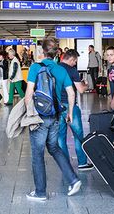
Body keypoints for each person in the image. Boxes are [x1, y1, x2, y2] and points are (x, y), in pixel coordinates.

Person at [24, 36, 81, 201]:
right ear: (57, 53)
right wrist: (69, 112)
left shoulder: (35, 67)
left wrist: (30, 115)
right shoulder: (61, 70)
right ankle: (73, 179)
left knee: (37, 153)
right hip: (56, 116)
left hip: (40, 117)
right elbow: (71, 93)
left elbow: (29, 95)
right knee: (54, 147)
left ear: (42, 51)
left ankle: (40, 192)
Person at [58, 49, 93, 171]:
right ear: (71, 59)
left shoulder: (55, 68)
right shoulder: (71, 70)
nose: (75, 64)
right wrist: (86, 84)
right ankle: (82, 163)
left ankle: (65, 164)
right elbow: (81, 90)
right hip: (70, 105)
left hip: (57, 106)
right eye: (75, 61)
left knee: (60, 137)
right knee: (78, 135)